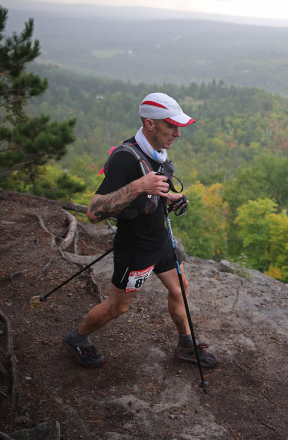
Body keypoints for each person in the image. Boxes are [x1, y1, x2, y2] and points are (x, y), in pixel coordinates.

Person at [62, 92, 218, 369]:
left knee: (181, 289)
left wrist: (169, 197)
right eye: (171, 126)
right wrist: (138, 187)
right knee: (118, 307)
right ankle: (78, 338)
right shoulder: (125, 158)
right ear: (150, 123)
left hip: (161, 241)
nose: (177, 134)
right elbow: (93, 212)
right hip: (135, 249)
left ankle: (186, 345)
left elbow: (152, 193)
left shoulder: (157, 153)